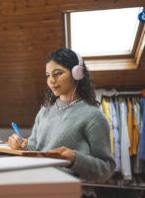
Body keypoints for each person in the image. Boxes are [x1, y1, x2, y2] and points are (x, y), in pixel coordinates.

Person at [8, 48, 115, 182]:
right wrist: (20, 145)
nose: (51, 80)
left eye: (57, 73)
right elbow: (35, 147)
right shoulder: (44, 111)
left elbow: (106, 168)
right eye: (48, 75)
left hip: (66, 188)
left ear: (77, 74)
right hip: (37, 180)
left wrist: (75, 159)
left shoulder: (93, 117)